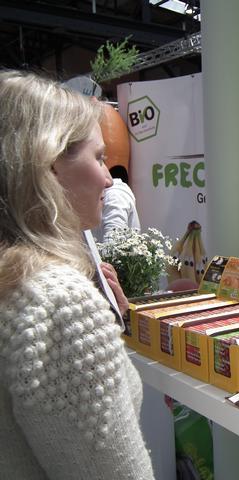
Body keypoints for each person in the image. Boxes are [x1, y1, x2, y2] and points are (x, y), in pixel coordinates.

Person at [0, 70, 154, 479]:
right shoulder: (58, 302)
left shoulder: (17, 284)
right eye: (99, 157)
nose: (109, 177)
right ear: (49, 166)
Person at [93, 165, 141, 243]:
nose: (109, 182)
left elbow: (112, 241)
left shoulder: (115, 195)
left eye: (100, 161)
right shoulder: (113, 195)